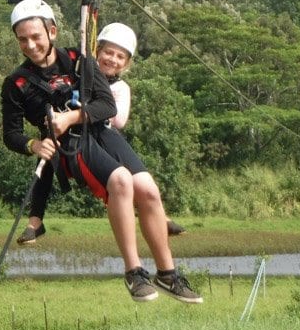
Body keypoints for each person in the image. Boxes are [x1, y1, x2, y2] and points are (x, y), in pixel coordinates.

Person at [1, 0, 202, 303]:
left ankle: (168, 274)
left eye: (36, 36)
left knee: (148, 189)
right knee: (120, 181)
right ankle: (134, 272)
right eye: (22, 40)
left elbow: (107, 105)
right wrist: (32, 145)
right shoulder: (16, 83)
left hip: (99, 132)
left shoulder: (78, 60)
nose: (30, 45)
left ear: (52, 31)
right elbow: (11, 134)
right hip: (68, 146)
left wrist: (72, 115)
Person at [17, 22, 186, 245]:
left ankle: (158, 214)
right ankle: (35, 221)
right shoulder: (79, 74)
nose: (112, 60)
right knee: (46, 158)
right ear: (98, 52)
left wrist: (94, 105)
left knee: (134, 177)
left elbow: (119, 119)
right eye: (108, 53)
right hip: (74, 138)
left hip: (103, 136)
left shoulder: (120, 88)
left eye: (119, 57)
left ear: (125, 64)